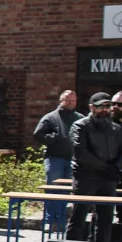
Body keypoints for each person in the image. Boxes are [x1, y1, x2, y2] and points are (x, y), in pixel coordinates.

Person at [67, 93, 122, 242]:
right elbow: (80, 152)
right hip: (86, 177)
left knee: (105, 219)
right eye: (100, 106)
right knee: (79, 217)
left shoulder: (116, 129)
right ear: (91, 107)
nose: (104, 109)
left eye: (107, 106)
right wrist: (106, 168)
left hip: (108, 180)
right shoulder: (80, 126)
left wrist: (116, 168)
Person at [33, 90, 82, 233]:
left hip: (72, 160)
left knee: (65, 192)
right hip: (55, 159)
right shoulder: (50, 117)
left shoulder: (79, 118)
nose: (70, 103)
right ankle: (49, 221)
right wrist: (54, 138)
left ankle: (60, 222)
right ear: (61, 100)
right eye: (67, 100)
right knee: (52, 189)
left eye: (73, 101)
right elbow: (38, 135)